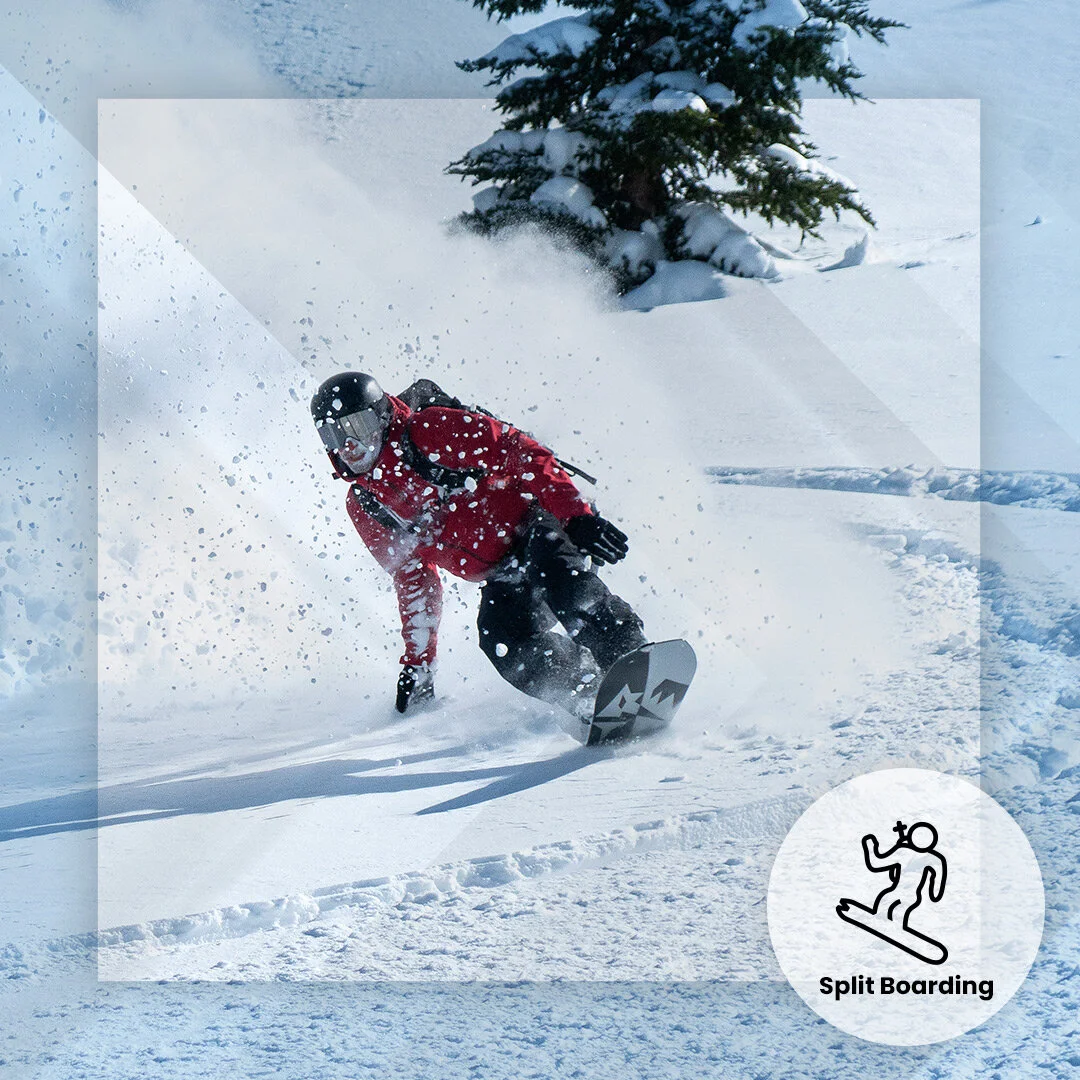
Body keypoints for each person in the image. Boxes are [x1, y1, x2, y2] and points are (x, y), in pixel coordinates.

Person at [310, 372, 648, 721]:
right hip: (503, 572)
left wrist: (575, 516)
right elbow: (413, 579)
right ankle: (587, 690)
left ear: (381, 418)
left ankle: (630, 656)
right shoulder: (367, 504)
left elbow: (518, 450)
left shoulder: (428, 431)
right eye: (333, 434)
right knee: (501, 640)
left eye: (357, 426)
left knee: (557, 576)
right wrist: (419, 662)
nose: (348, 445)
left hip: (538, 522)